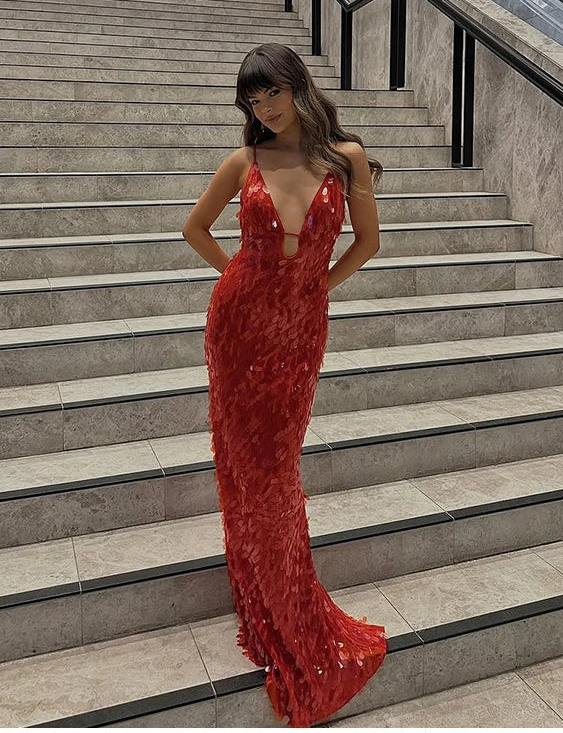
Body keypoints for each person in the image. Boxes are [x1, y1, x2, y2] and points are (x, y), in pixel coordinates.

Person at [182, 42, 384, 727]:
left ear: (298, 86)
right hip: (239, 332)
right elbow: (195, 229)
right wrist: (243, 281)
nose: (263, 108)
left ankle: (287, 604)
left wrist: (310, 291)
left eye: (272, 92)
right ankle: (275, 611)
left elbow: (368, 243)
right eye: (252, 99)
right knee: (254, 473)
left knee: (275, 470)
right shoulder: (244, 162)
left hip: (298, 337)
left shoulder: (346, 157)